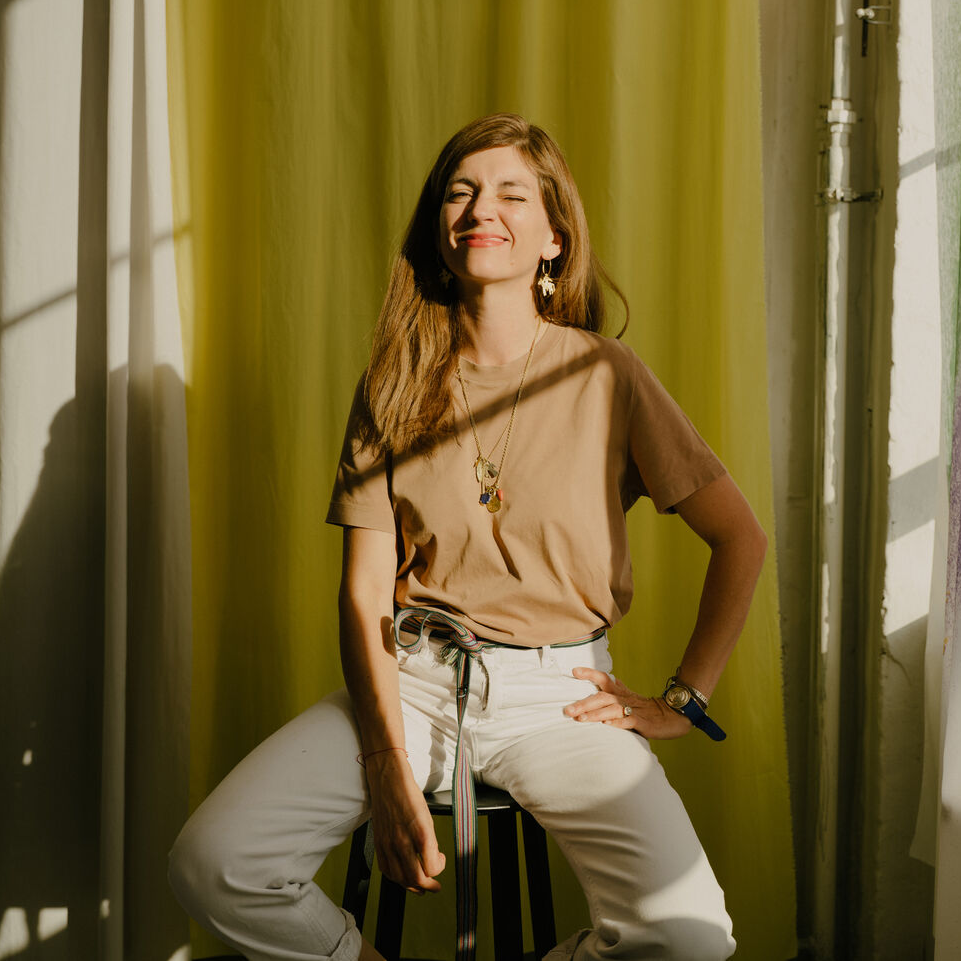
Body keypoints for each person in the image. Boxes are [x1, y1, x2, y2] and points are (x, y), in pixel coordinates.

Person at [169, 113, 766, 961]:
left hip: (559, 696)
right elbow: (366, 591)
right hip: (411, 682)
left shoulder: (606, 375)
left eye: (511, 193)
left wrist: (683, 699)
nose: (482, 207)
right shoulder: (394, 382)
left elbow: (740, 536)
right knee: (214, 862)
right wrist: (381, 754)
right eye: (461, 191)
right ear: (439, 233)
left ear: (553, 240)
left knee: (690, 936)